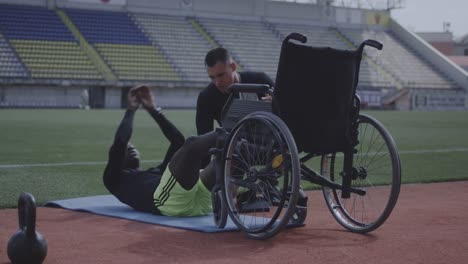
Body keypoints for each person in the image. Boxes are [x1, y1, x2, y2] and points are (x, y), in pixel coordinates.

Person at [103, 85, 218, 216]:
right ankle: (231, 132)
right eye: (126, 149)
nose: (131, 147)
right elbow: (121, 141)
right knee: (192, 144)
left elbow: (177, 141)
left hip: (201, 204)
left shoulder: (155, 171)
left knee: (224, 159)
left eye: (132, 146)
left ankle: (238, 140)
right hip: (171, 203)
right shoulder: (114, 179)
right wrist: (131, 110)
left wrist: (153, 110)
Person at [196, 47, 275, 136]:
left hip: (267, 142)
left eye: (221, 75)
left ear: (233, 67)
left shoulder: (260, 80)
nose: (217, 83)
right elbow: (203, 136)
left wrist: (275, 105)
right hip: (233, 145)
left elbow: (287, 110)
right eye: (212, 77)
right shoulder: (206, 97)